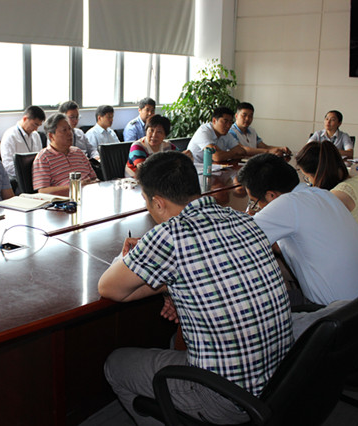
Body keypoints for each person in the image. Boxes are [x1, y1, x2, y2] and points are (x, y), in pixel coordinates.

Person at [99, 151, 292, 425]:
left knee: (116, 364)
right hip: (281, 380)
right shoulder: (244, 220)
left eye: (146, 201)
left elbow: (109, 288)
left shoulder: (169, 235)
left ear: (158, 202)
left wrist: (133, 255)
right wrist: (170, 286)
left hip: (225, 398)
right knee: (173, 343)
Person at [237, 153, 358, 306]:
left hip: (338, 312)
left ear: (271, 195)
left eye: (255, 202)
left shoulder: (286, 204)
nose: (257, 208)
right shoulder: (323, 194)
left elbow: (236, 241)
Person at [296, 141, 358, 265]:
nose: (310, 183)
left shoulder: (338, 195)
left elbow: (315, 235)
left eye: (307, 178)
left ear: (318, 174)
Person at [32, 113, 98, 194]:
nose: (70, 133)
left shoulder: (78, 152)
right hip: (67, 200)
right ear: (51, 136)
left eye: (70, 129)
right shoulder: (43, 158)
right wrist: (75, 186)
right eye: (64, 130)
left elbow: (94, 178)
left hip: (91, 194)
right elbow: (43, 191)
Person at [0, 105, 46, 178]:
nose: (36, 129)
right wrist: (28, 172)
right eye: (35, 124)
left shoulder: (36, 135)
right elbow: (8, 166)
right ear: (25, 119)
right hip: (20, 178)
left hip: (37, 175)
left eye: (39, 126)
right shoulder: (10, 136)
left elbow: (40, 158)